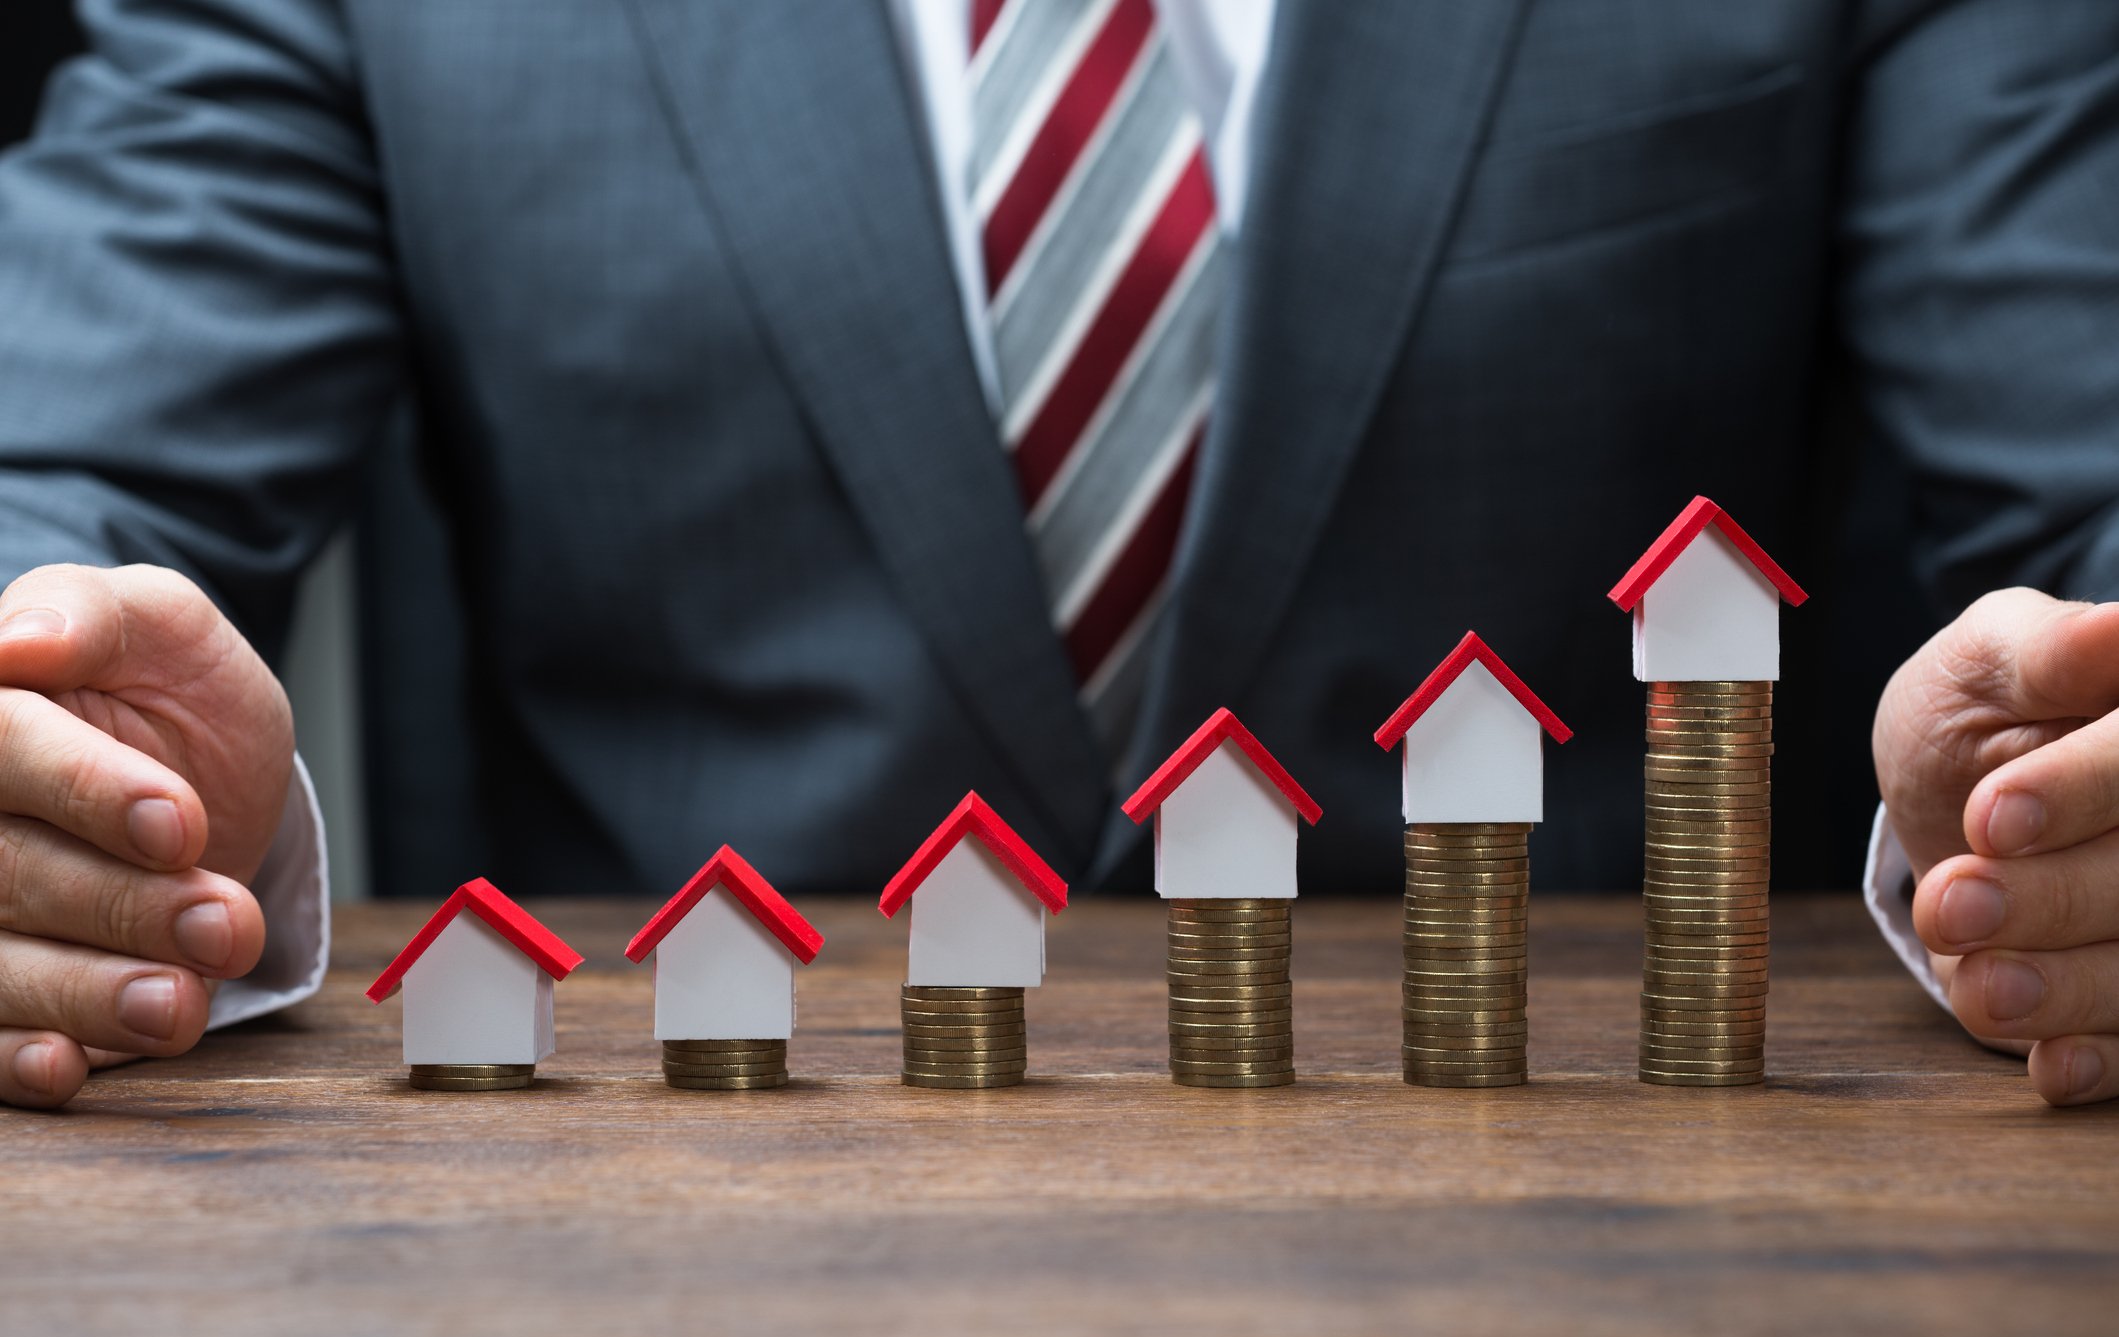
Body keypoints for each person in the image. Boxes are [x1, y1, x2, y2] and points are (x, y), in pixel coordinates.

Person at [0, 0, 2116, 1112]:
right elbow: (51, 468)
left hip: (1619, 1202)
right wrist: (66, 728)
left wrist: (2064, 760)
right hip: (663, 1217)